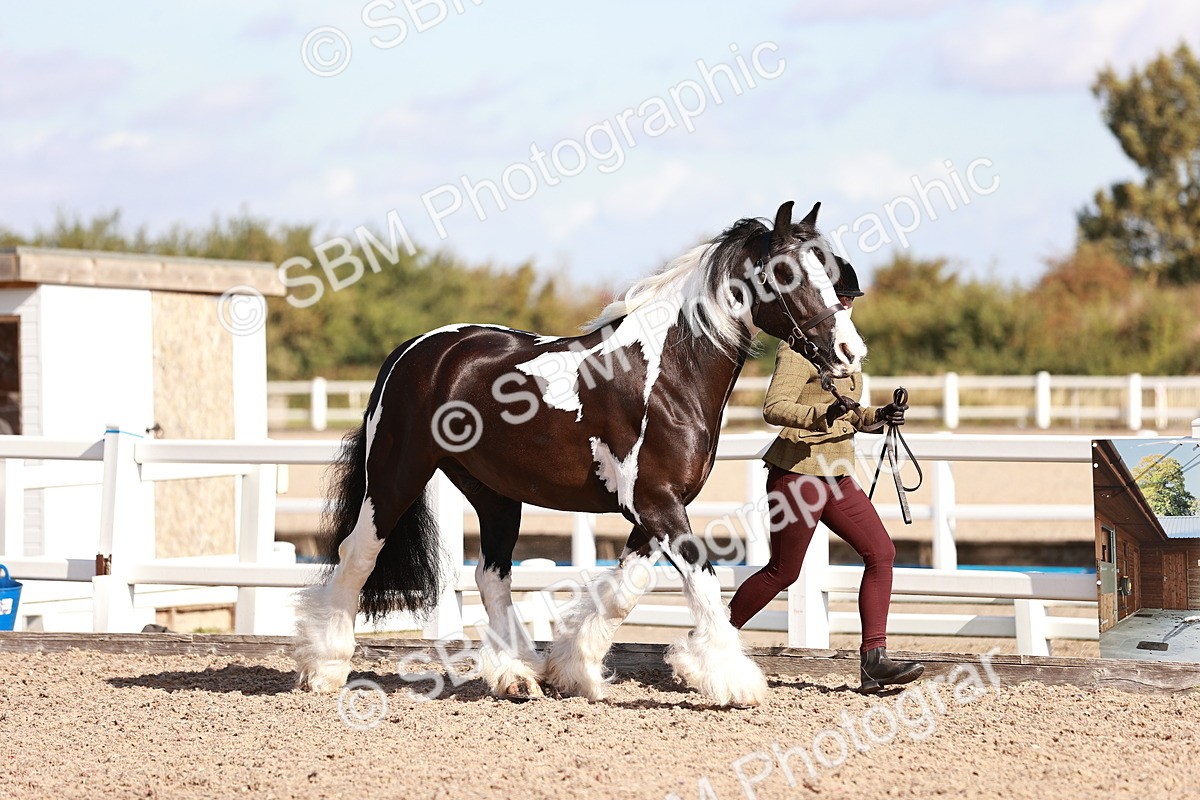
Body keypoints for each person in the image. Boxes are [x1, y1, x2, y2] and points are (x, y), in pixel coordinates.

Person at [728, 257, 924, 693]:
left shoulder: (846, 347)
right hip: (796, 475)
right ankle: (715, 638)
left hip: (836, 474)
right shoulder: (797, 348)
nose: (848, 305)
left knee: (881, 552)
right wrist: (822, 413)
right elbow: (774, 408)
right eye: (841, 298)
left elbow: (849, 415)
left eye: (851, 299)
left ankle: (874, 661)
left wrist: (881, 415)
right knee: (783, 571)